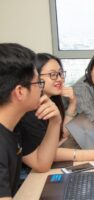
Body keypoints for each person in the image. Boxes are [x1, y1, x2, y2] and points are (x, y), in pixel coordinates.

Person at [17, 53, 94, 173]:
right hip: (28, 173)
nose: (59, 78)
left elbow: (63, 135)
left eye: (60, 73)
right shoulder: (29, 110)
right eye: (52, 75)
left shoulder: (53, 99)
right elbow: (46, 152)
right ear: (35, 77)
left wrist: (73, 104)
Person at [0, 43, 44, 198]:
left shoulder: (13, 126)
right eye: (38, 83)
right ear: (20, 92)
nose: (41, 88)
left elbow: (40, 163)